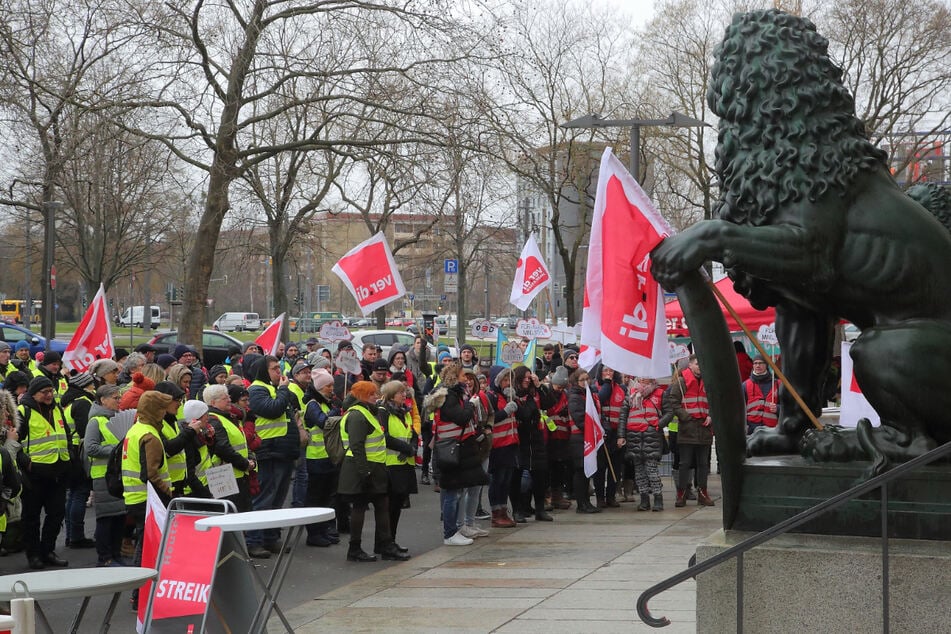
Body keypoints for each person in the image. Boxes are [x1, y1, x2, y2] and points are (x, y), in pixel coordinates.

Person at [337, 381, 407, 562]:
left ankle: (385, 544)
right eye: (372, 394)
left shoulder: (366, 413)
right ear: (362, 396)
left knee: (382, 505)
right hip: (362, 469)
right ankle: (355, 548)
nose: (376, 397)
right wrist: (364, 472)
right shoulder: (357, 416)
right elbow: (357, 446)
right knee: (360, 508)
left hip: (373, 468)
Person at [424, 363, 488, 546]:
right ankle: (450, 532)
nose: (465, 379)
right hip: (451, 449)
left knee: (458, 491)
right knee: (452, 493)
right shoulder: (449, 396)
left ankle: (456, 529)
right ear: (454, 377)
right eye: (462, 376)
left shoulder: (455, 394)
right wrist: (470, 405)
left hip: (458, 448)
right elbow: (460, 417)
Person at [123, 390, 174, 610]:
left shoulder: (135, 429)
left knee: (145, 547)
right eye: (162, 408)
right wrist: (171, 495)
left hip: (135, 497)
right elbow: (151, 474)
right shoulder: (150, 435)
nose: (165, 412)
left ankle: (140, 594)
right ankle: (138, 596)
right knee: (146, 550)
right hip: (148, 500)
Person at [246, 354, 298, 558]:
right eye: (275, 368)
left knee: (276, 500)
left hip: (281, 451)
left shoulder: (273, 389)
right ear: (263, 371)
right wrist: (284, 391)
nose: (280, 372)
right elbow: (273, 410)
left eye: (280, 367)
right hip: (268, 452)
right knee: (263, 499)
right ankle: (254, 540)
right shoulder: (257, 389)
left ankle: (270, 538)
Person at [17, 376, 71, 569]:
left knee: (56, 514)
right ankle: (33, 555)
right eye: (45, 392)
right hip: (34, 474)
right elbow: (14, 443)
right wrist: (28, 464)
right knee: (31, 518)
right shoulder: (23, 411)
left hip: (58, 471)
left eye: (51, 391)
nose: (49, 395)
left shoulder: (57, 408)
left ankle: (47, 550)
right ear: (34, 393)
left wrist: (69, 456)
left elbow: (66, 435)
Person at [83, 384, 126, 566]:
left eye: (119, 397)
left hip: (119, 476)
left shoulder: (118, 418)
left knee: (119, 517)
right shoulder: (95, 421)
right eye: (115, 398)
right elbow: (91, 448)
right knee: (106, 518)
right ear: (103, 400)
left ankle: (116, 554)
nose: (119, 401)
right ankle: (105, 558)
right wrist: (115, 451)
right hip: (103, 477)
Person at [664, 355, 714, 507]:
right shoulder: (681, 382)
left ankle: (703, 492)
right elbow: (673, 401)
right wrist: (685, 417)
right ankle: (682, 493)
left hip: (704, 427)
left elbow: (715, 400)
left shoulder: (709, 381)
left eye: (702, 364)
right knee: (684, 463)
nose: (700, 366)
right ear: (690, 365)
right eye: (697, 364)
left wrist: (711, 416)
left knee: (703, 463)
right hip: (688, 427)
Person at [377, 380, 418, 553]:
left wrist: (413, 447)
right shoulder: (383, 411)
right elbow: (384, 436)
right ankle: (384, 543)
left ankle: (391, 541)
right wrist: (407, 448)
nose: (404, 395)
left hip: (405, 463)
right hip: (391, 465)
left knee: (397, 507)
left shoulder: (404, 411)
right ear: (392, 395)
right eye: (401, 392)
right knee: (389, 508)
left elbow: (412, 432)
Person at [302, 368, 341, 547]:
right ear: (319, 387)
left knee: (327, 496)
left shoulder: (325, 403)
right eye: (328, 386)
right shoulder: (312, 404)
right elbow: (324, 423)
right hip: (316, 457)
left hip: (328, 456)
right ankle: (314, 533)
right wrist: (337, 412)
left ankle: (324, 530)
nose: (331, 389)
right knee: (315, 498)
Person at [622, 377, 670, 512]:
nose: (642, 381)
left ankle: (658, 499)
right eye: (640, 379)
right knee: (639, 472)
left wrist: (658, 425)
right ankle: (644, 500)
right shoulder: (631, 394)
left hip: (652, 437)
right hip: (634, 437)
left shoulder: (660, 393)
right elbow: (623, 416)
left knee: (652, 470)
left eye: (645, 379)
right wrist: (621, 436)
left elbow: (669, 412)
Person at [61, 371, 97, 549]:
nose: (94, 387)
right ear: (85, 386)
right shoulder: (83, 403)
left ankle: (70, 535)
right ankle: (76, 536)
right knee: (80, 493)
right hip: (79, 453)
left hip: (71, 452)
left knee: (73, 494)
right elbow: (86, 432)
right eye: (91, 384)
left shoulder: (70, 402)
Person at [204, 385, 255, 512]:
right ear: (213, 402)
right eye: (224, 398)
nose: (229, 400)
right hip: (226, 478)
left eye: (228, 397)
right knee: (231, 517)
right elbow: (222, 448)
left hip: (239, 475)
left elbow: (242, 442)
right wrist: (245, 464)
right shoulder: (213, 420)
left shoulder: (230, 417)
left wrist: (251, 458)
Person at [485, 366, 518, 528]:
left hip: (510, 444)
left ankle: (504, 510)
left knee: (506, 480)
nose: (508, 383)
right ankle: (496, 513)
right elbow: (489, 419)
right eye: (505, 380)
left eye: (510, 380)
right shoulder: (491, 396)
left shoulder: (509, 396)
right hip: (497, 445)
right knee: (497, 480)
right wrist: (505, 411)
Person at [567, 368, 600, 514]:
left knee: (586, 472)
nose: (586, 382)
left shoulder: (588, 395)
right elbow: (580, 419)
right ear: (576, 382)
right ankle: (581, 503)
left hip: (587, 436)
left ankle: (586, 502)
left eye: (588, 379)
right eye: (582, 380)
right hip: (579, 438)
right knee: (581, 471)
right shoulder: (575, 397)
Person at [596, 365, 628, 508]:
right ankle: (600, 498)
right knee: (600, 467)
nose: (608, 373)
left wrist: (621, 435)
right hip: (601, 434)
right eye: (605, 371)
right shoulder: (594, 387)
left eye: (611, 371)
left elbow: (623, 415)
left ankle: (611, 496)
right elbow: (600, 401)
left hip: (616, 433)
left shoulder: (621, 389)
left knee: (615, 467)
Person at [542, 365, 572, 510]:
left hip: (562, 437)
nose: (559, 389)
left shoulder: (566, 395)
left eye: (562, 386)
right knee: (548, 469)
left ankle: (557, 496)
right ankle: (547, 497)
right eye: (558, 386)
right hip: (549, 437)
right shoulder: (547, 394)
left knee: (559, 468)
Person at [744, 355, 778, 435]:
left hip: (772, 429)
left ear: (766, 365)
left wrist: (778, 408)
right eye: (755, 363)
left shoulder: (778, 384)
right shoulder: (745, 385)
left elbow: (787, 406)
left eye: (761, 363)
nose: (758, 366)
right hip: (751, 429)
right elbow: (740, 408)